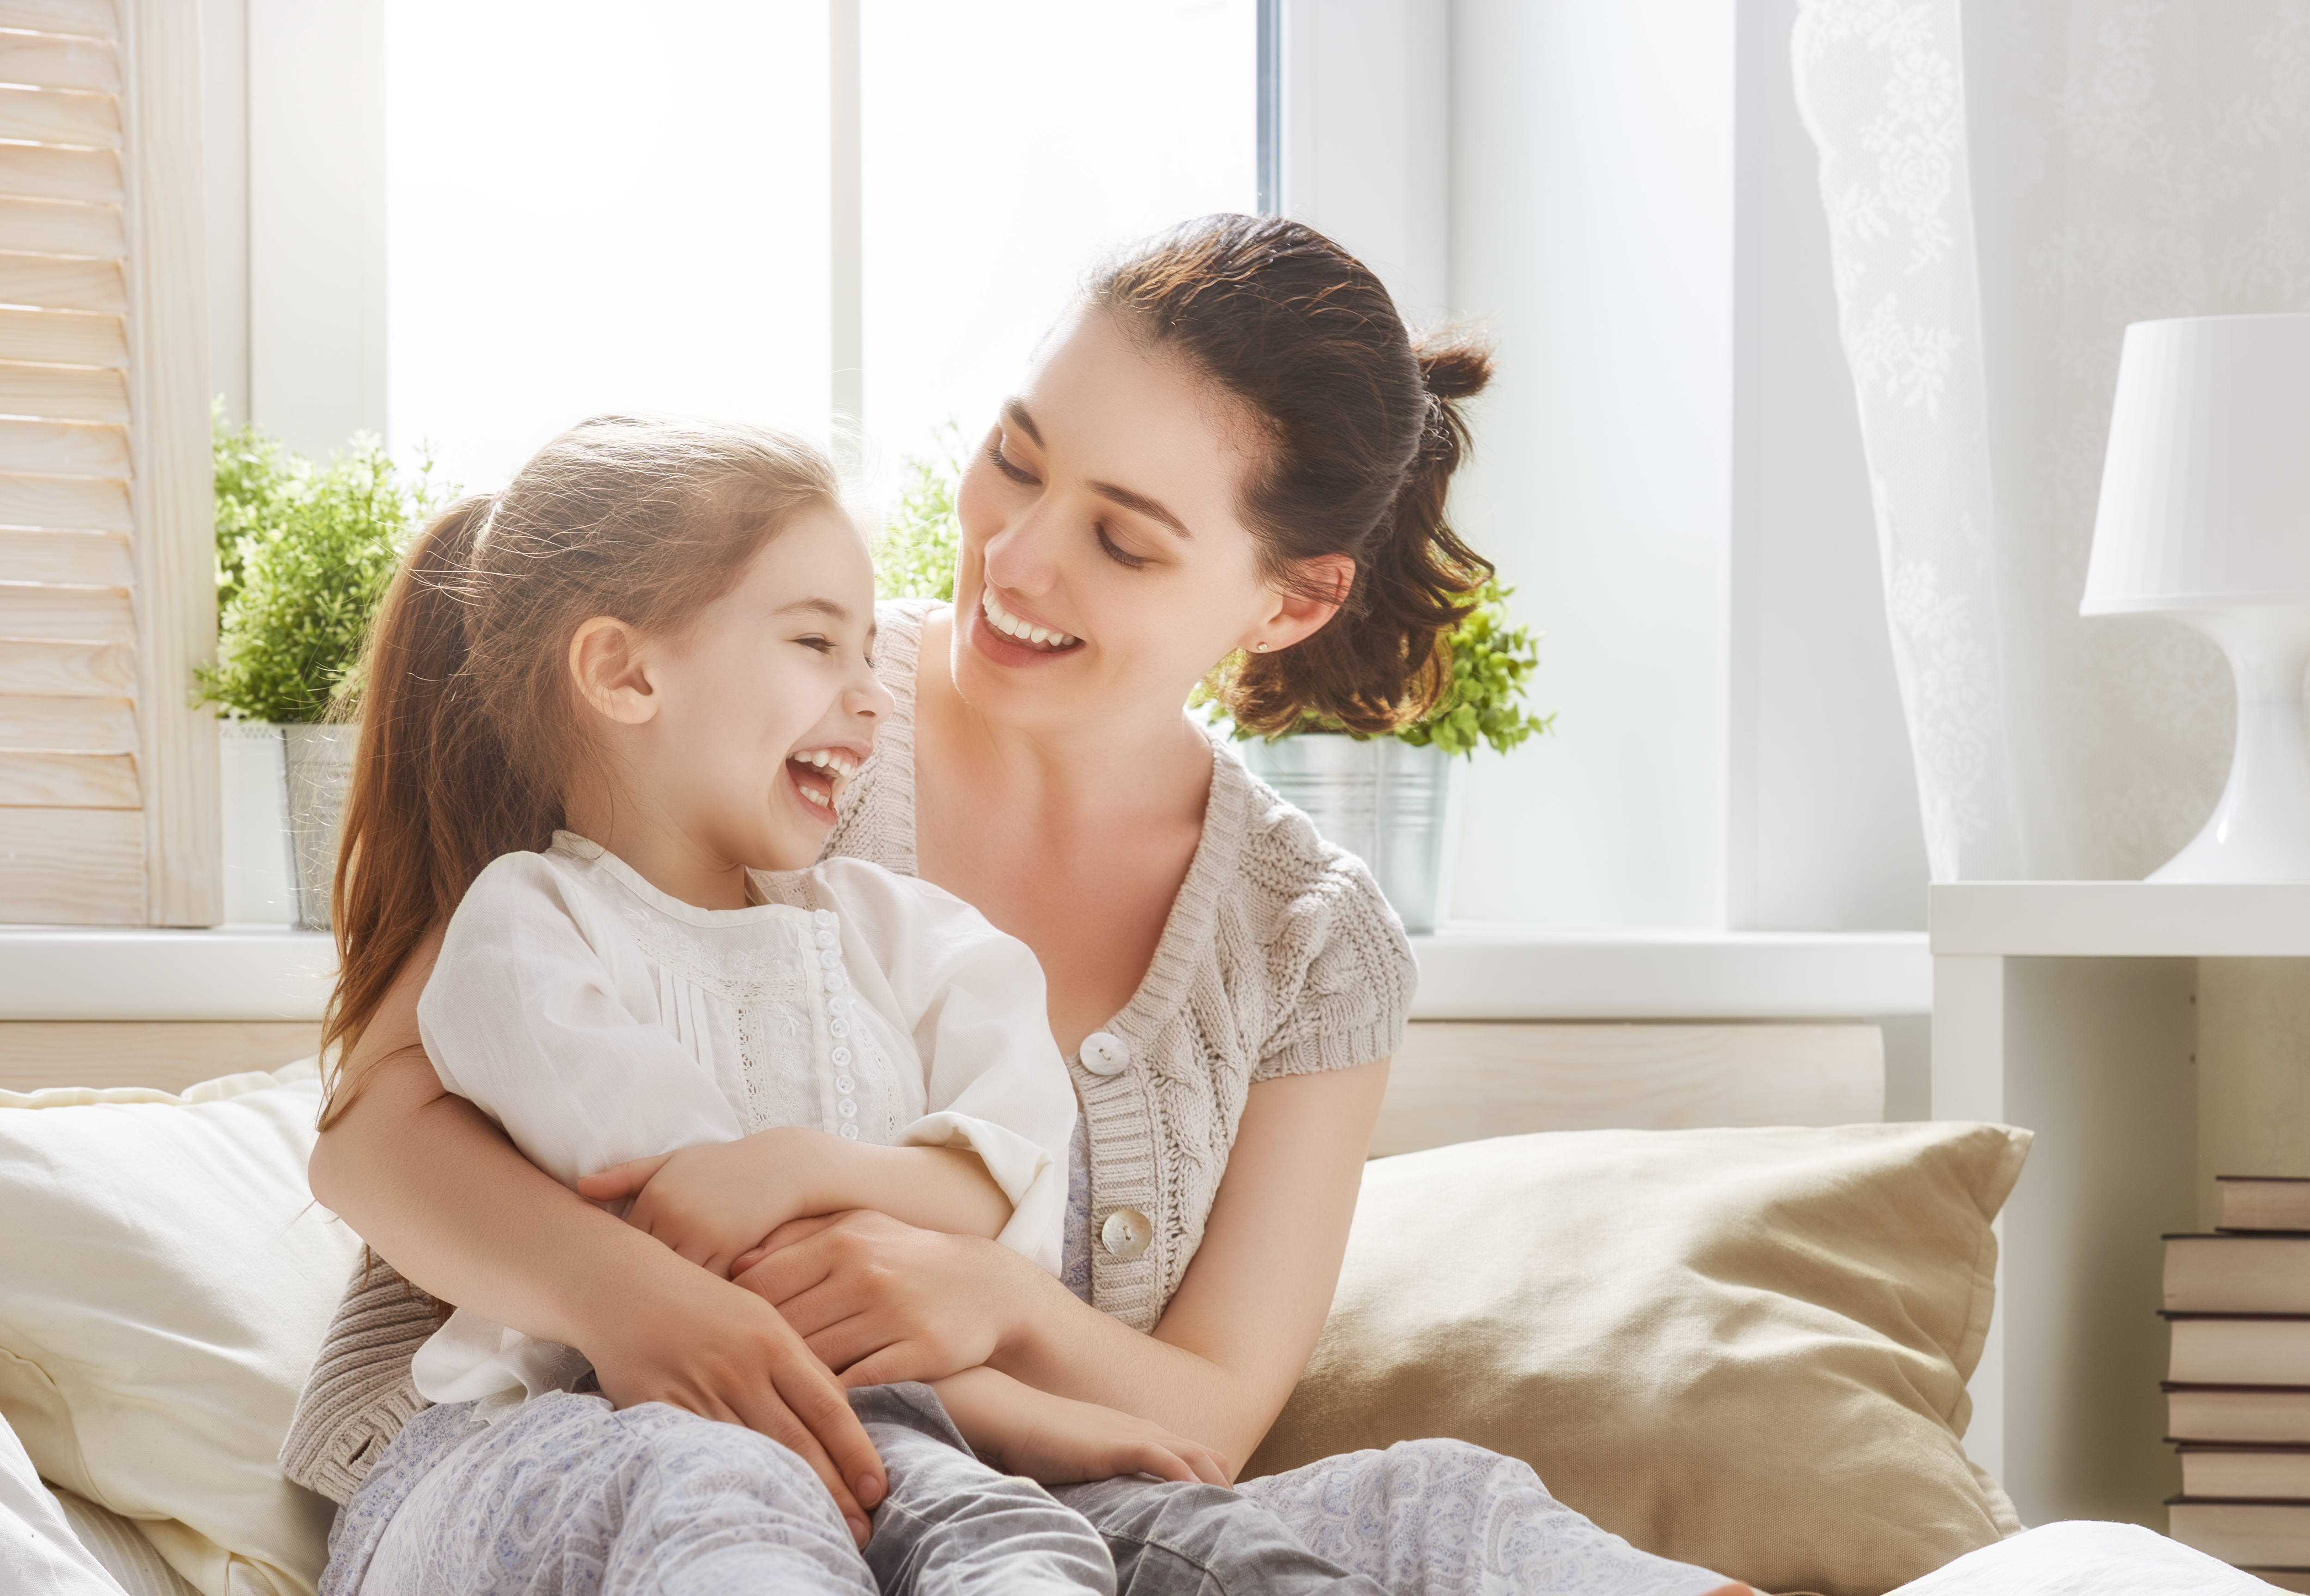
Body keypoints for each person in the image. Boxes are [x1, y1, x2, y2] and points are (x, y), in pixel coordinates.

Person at [292, 215, 1749, 1595]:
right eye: (1016, 457)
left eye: (1125, 541)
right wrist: (636, 1301)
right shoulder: (777, 720)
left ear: (1290, 602)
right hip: (554, 1450)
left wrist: (996, 1307)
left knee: (1437, 1509)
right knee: (729, 1498)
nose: (1019, 557)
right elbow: (375, 1134)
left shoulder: (1308, 939)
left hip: (979, 1508)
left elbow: (1209, 1415)